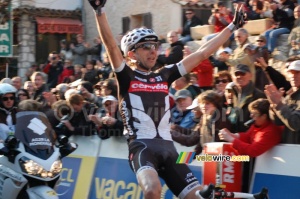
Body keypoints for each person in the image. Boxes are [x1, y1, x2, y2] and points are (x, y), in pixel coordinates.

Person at [88, 0, 245, 198]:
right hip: (142, 148)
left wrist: (232, 27)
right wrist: (99, 11)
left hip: (169, 150)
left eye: (155, 45)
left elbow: (203, 52)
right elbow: (111, 46)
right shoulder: (126, 75)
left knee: (201, 196)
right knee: (152, 191)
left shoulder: (165, 74)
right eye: (145, 46)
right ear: (131, 54)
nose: (153, 50)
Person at [219, 98, 283, 192]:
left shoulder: (270, 131)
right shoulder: (258, 125)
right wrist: (233, 135)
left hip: (269, 173)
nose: (251, 116)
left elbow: (253, 150)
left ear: (264, 116)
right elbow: (248, 136)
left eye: (255, 114)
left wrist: (231, 139)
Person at [265, 60, 300, 144]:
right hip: (289, 149)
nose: (293, 76)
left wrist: (279, 104)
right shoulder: (289, 97)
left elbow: (295, 123)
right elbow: (278, 122)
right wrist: (274, 105)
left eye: (297, 72)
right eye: (291, 73)